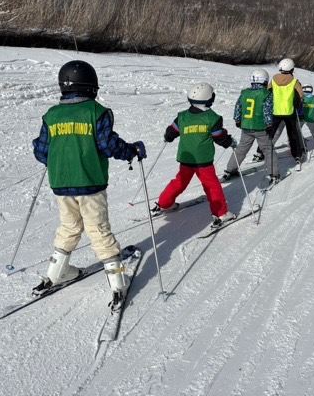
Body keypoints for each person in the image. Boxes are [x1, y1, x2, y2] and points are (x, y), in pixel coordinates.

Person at [32, 60, 146, 305]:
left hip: (61, 185)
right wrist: (131, 151)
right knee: (98, 230)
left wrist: (57, 156)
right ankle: (117, 283)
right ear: (91, 86)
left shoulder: (51, 115)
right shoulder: (97, 112)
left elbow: (42, 151)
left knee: (69, 227)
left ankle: (55, 274)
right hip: (90, 184)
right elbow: (107, 144)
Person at [152, 82, 236, 227]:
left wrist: (169, 136)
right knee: (211, 185)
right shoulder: (212, 118)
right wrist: (229, 142)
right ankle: (221, 213)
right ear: (210, 99)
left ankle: (164, 203)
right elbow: (219, 136)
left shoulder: (183, 116)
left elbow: (172, 131)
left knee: (180, 181)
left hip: (186, 158)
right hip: (203, 161)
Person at [222, 69, 280, 183]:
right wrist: (269, 124)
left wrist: (238, 119)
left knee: (241, 149)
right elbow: (267, 110)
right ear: (265, 81)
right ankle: (274, 173)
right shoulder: (267, 94)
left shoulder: (244, 93)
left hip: (246, 126)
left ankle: (230, 170)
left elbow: (238, 106)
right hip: (261, 128)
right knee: (268, 150)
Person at [266, 58, 306, 169]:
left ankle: (261, 151)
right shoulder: (294, 81)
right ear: (291, 69)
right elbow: (301, 95)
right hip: (289, 112)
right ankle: (297, 154)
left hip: (276, 111)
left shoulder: (273, 79)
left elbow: (268, 92)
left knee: (271, 132)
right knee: (293, 134)